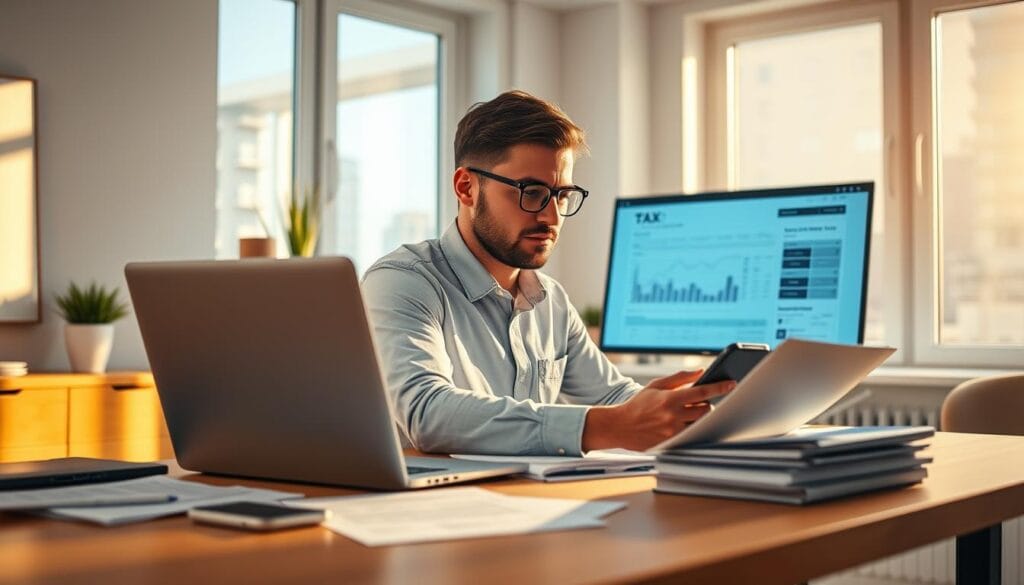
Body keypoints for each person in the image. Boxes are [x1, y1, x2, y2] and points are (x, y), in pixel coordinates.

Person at [362, 90, 734, 456]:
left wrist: (694, 412)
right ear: (466, 187)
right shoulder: (403, 282)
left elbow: (611, 396)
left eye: (561, 195)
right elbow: (428, 413)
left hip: (529, 499)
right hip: (431, 506)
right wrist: (606, 426)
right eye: (532, 191)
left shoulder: (549, 299)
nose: (552, 216)